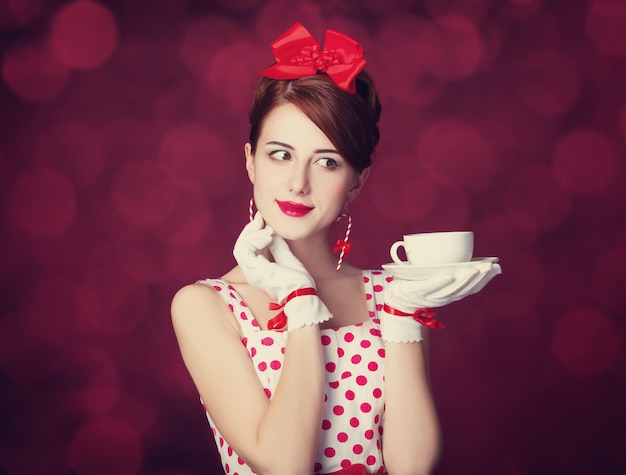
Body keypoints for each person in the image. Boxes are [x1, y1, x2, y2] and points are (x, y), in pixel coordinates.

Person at [171, 23, 501, 475]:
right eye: (280, 154)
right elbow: (281, 465)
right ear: (250, 160)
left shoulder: (394, 293)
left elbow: (413, 467)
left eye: (327, 161)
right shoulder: (204, 305)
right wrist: (299, 300)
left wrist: (404, 314)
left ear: (357, 181)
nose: (298, 183)